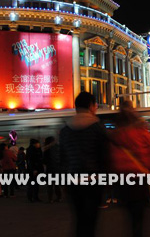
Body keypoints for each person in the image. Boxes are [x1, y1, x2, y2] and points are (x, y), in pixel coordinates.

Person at [109, 100, 150, 237]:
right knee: (139, 217)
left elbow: (111, 159)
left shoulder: (115, 135)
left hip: (122, 180)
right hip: (140, 179)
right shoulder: (143, 133)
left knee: (130, 215)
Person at [60, 92, 108, 237]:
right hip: (93, 182)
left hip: (73, 182)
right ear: (91, 106)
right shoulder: (97, 128)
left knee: (79, 219)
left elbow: (62, 159)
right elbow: (104, 156)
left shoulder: (65, 130)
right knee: (90, 221)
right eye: (95, 106)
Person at [43, 136, 62, 203]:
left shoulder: (46, 149)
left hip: (50, 168)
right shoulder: (58, 147)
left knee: (50, 185)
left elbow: (44, 160)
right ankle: (59, 198)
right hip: (57, 168)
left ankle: (50, 199)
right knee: (57, 184)